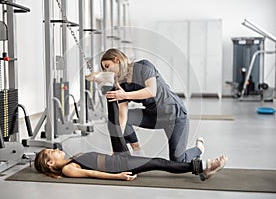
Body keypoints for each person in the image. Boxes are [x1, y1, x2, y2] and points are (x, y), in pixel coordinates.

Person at [34, 100, 228, 181]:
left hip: (117, 157)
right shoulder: (68, 168)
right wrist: (117, 177)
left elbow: (98, 161)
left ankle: (110, 91)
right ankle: (204, 166)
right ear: (50, 163)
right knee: (158, 163)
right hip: (120, 165)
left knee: (115, 125)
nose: (57, 150)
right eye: (52, 152)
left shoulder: (72, 158)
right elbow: (93, 173)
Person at [97, 48, 201, 162]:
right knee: (120, 119)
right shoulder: (122, 84)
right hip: (153, 116)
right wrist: (117, 145)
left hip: (175, 115)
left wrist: (124, 95)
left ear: (117, 60)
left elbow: (151, 91)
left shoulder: (144, 66)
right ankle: (137, 152)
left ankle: (199, 149)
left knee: (178, 160)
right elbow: (122, 115)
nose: (107, 71)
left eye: (107, 66)